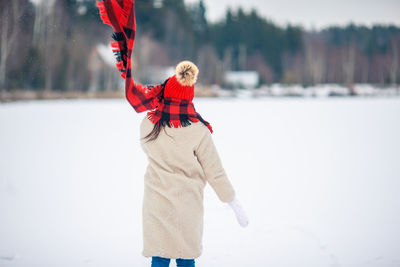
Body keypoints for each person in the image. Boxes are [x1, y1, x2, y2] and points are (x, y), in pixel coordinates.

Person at [135, 61, 249, 267]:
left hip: (156, 203)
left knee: (159, 258)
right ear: (190, 98)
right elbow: (214, 170)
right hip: (187, 206)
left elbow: (145, 146)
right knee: (186, 258)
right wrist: (232, 200)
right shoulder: (198, 129)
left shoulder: (149, 124)